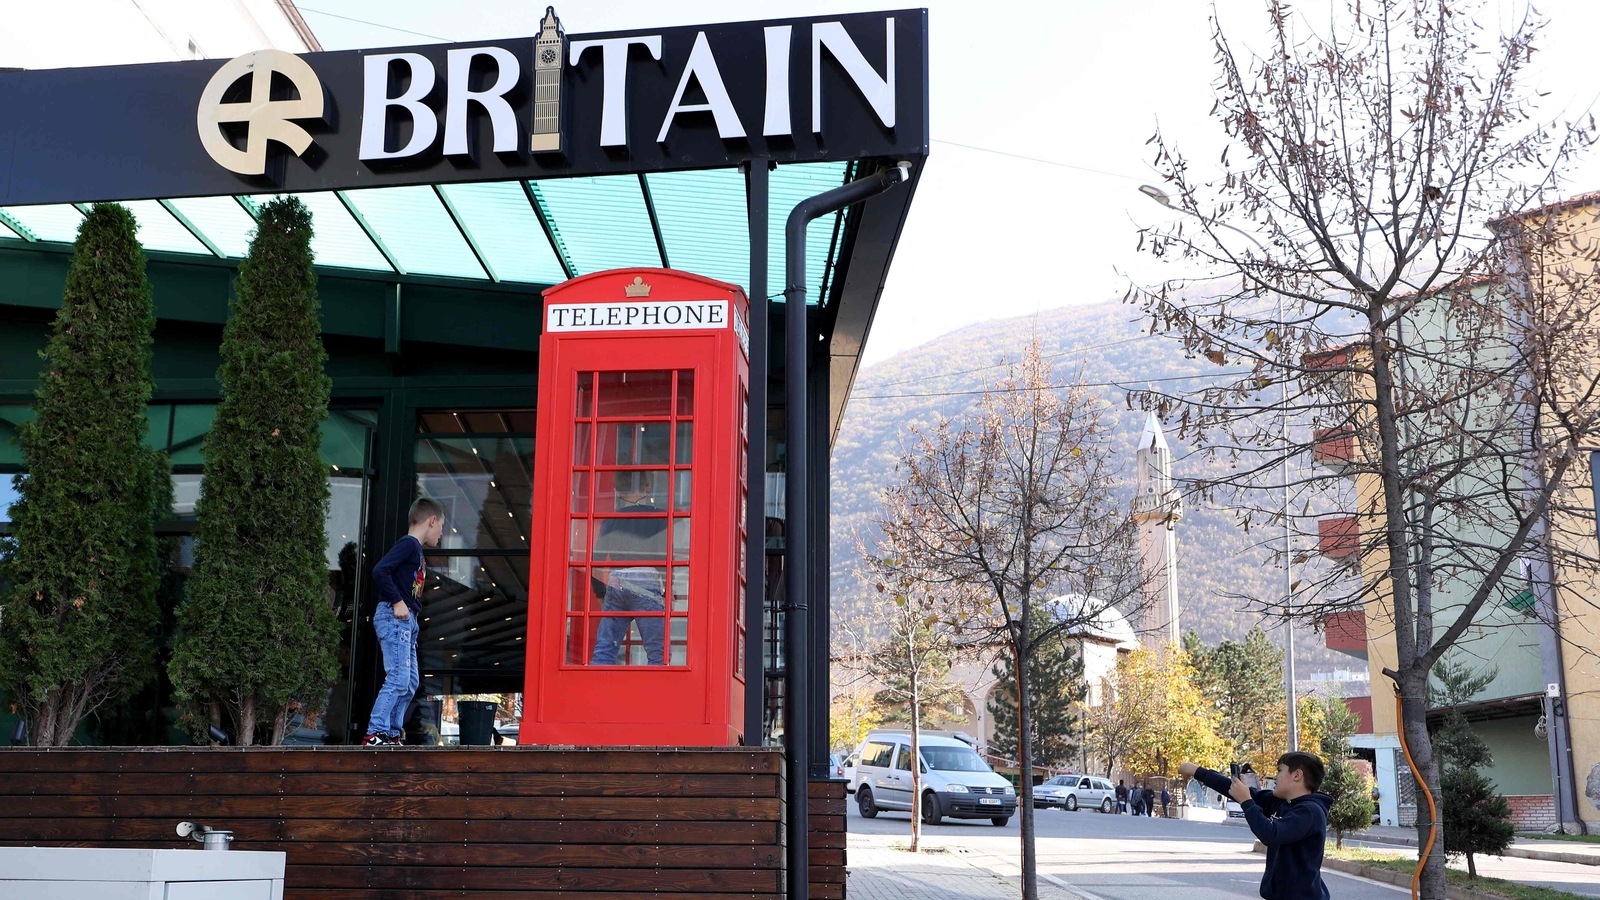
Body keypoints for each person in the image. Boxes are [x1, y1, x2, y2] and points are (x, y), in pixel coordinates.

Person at [1179, 754, 1332, 900]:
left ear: (1297, 775)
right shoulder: (1281, 803)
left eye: (1280, 771)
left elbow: (1271, 834)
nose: (1276, 777)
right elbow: (1233, 790)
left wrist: (1246, 801)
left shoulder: (1310, 812)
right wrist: (1196, 771)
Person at [364, 497, 445, 746]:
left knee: (410, 683)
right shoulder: (409, 545)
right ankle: (375, 731)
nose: (441, 534)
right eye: (441, 527)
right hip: (395, 616)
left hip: (407, 621)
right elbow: (380, 570)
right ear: (431, 521)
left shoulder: (415, 550)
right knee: (399, 678)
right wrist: (398, 601)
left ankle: (391, 731)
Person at [590, 471, 668, 665]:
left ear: (617, 491)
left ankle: (597, 693)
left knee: (605, 650)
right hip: (647, 580)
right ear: (648, 487)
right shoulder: (659, 516)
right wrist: (667, 591)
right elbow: (666, 556)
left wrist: (601, 594)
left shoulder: (610, 519)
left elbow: (596, 560)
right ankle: (654, 695)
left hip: (617, 581)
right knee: (658, 654)